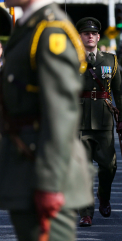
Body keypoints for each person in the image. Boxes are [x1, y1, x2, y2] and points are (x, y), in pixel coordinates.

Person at [0, 0, 93, 240]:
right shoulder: (29, 26)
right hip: (24, 162)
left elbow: (61, 112)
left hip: (42, 169)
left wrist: (50, 183)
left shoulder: (50, 30)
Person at [76, 17, 122, 227]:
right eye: (86, 33)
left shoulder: (110, 60)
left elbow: (118, 91)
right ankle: (86, 212)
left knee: (109, 166)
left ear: (98, 37)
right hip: (78, 120)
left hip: (104, 120)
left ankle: (103, 195)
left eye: (94, 33)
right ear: (79, 37)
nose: (90, 36)